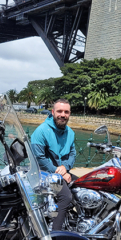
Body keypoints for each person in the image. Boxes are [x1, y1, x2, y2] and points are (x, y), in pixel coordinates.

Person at [31, 99, 76, 231]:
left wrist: (65, 168)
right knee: (65, 197)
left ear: (69, 114)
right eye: (59, 111)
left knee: (84, 185)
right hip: (43, 173)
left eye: (66, 112)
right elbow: (39, 158)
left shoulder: (70, 133)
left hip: (61, 171)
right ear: (52, 112)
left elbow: (72, 155)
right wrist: (59, 172)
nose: (63, 115)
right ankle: (56, 235)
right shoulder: (42, 131)